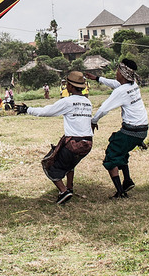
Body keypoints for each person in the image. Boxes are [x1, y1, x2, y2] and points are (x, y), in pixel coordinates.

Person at [15, 71, 93, 205]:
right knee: (70, 163)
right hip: (88, 144)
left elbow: (47, 111)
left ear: (71, 86)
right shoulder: (88, 102)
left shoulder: (68, 102)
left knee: (49, 164)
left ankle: (63, 191)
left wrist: (27, 110)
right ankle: (70, 187)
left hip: (73, 143)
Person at [86, 59, 148, 199]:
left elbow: (103, 109)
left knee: (111, 155)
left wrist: (93, 121)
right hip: (142, 130)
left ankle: (120, 192)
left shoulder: (121, 91)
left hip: (131, 130)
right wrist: (97, 78)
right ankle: (127, 181)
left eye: (118, 70)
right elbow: (115, 84)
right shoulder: (133, 85)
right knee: (122, 150)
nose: (116, 73)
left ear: (123, 73)